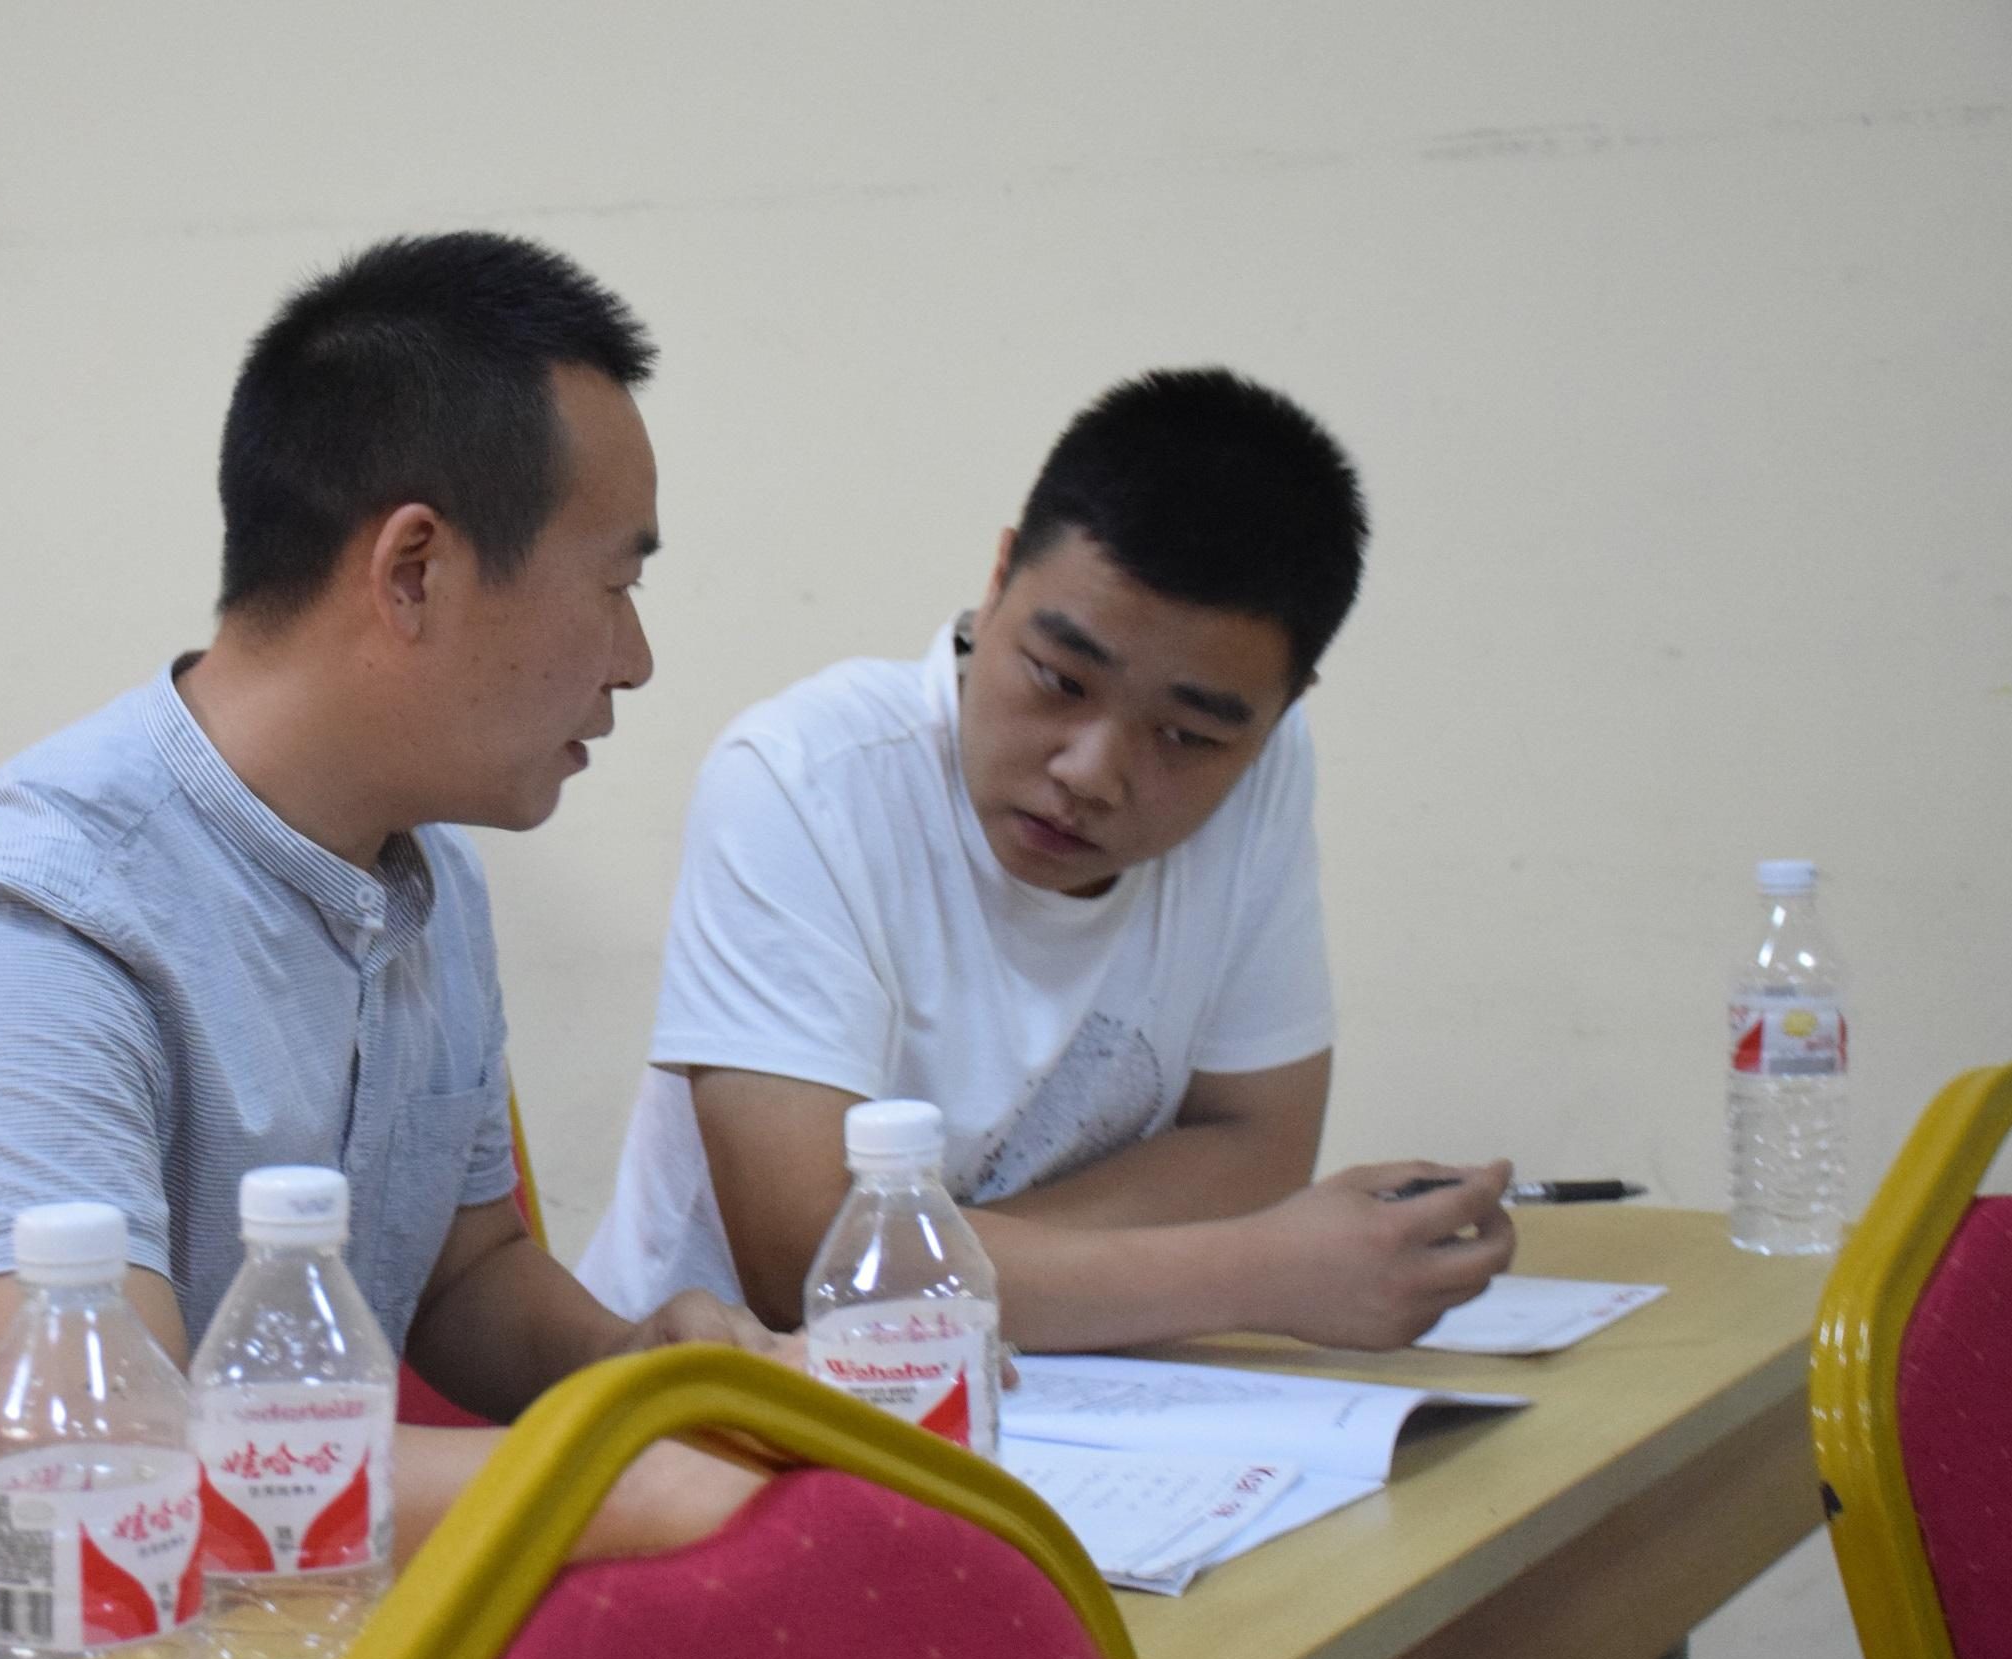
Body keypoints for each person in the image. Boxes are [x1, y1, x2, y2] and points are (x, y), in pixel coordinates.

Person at [0, 233, 778, 1659]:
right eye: (616, 586)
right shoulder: (22, 915)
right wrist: (610, 1480)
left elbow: (464, 1272)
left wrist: (648, 1369)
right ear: (414, 570)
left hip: (294, 1656)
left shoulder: (425, 866)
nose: (633, 660)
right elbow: (109, 1464)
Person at [577, 369, 1517, 1352]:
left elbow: (1258, 1145)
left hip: (1064, 1389)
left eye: (1187, 736)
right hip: (724, 1404)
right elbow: (808, 1264)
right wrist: (1257, 1270)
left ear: (1281, 709)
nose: (1092, 771)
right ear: (997, 579)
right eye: (1060, 679)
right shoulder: (804, 780)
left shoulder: (1267, 771)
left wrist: (939, 1266)